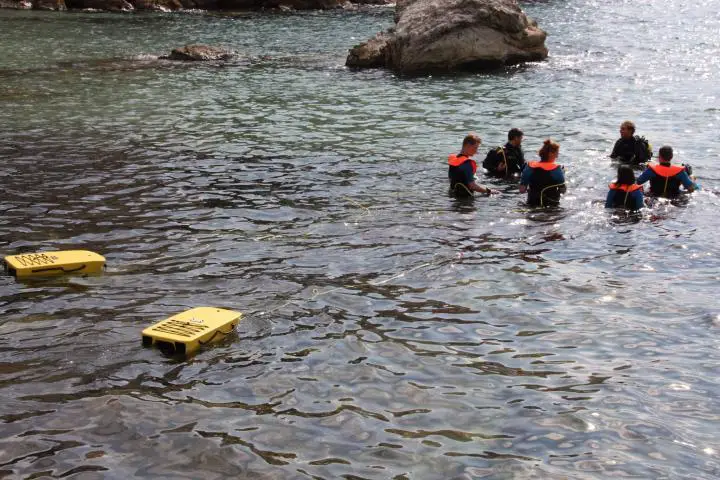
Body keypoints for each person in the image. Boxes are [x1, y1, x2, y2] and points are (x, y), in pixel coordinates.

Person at [519, 139, 566, 207]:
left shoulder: (529, 166)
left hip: (532, 203)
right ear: (550, 154)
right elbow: (563, 191)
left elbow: (522, 190)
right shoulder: (557, 169)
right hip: (551, 205)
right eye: (557, 153)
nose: (557, 156)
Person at [448, 133, 496, 198]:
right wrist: (489, 191)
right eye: (475, 148)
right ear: (468, 146)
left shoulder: (454, 160)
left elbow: (451, 178)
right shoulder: (467, 163)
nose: (476, 151)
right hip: (465, 199)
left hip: (453, 196)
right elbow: (472, 186)